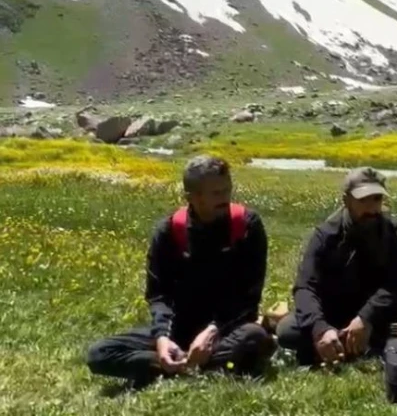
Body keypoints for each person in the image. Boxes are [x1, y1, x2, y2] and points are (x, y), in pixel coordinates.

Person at [86, 156, 274, 387]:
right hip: (180, 328)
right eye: (216, 193)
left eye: (227, 190)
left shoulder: (247, 225)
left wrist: (212, 331)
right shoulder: (168, 232)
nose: (225, 198)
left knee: (254, 338)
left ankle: (174, 367)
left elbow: (249, 296)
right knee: (100, 353)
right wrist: (162, 338)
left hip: (227, 327)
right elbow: (158, 295)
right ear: (192, 198)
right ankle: (183, 364)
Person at [276, 167, 397, 366]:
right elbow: (305, 288)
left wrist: (365, 318)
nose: (371, 207)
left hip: (377, 313)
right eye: (363, 200)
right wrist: (321, 329)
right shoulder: (326, 234)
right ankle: (338, 342)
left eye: (376, 199)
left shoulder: (393, 229)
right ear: (346, 200)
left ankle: (348, 346)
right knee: (288, 330)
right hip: (334, 312)